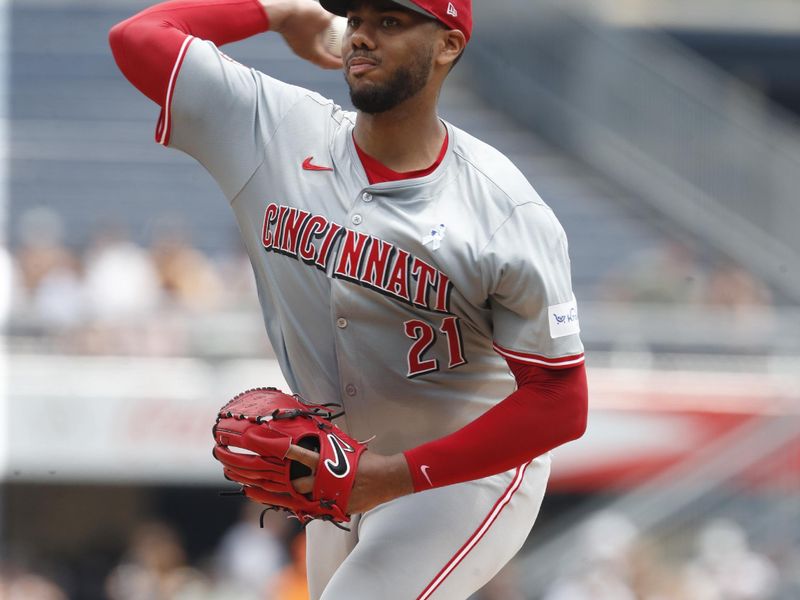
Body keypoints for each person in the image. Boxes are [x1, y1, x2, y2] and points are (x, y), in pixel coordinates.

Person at [109, 0, 588, 597]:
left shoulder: (505, 212)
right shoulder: (278, 130)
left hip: (465, 475)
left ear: (448, 45)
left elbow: (561, 404)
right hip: (335, 467)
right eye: (357, 19)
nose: (362, 36)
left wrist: (391, 478)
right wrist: (278, 11)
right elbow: (138, 37)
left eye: (390, 22)